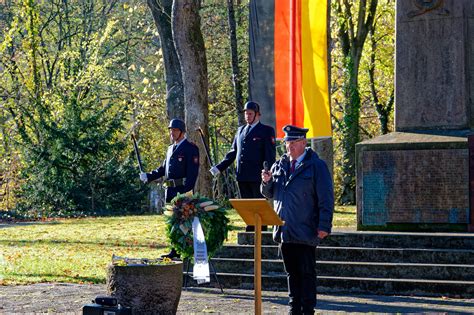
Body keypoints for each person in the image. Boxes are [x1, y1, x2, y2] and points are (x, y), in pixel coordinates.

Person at [261, 125, 334, 315]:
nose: (289, 146)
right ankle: (294, 308)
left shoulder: (317, 166)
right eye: (287, 142)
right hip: (285, 229)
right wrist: (267, 182)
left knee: (307, 273)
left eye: (293, 142)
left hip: (306, 228)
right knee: (291, 272)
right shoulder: (279, 164)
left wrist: (324, 225)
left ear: (303, 142)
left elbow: (326, 198)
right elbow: (269, 194)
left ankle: (308, 309)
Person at [209, 101, 276, 231]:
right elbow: (232, 153)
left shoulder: (266, 131)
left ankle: (260, 234)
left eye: (250, 113)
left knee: (259, 207)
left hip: (258, 177)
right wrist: (219, 168)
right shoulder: (240, 131)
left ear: (258, 115)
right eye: (246, 113)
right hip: (242, 176)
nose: (248, 116)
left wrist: (268, 173)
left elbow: (269, 155)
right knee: (247, 207)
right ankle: (250, 231)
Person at [140, 118, 199, 259]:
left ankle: (186, 250)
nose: (172, 133)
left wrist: (187, 193)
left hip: (182, 189)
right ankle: (174, 250)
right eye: (171, 130)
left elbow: (192, 173)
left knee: (183, 221)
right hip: (170, 190)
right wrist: (148, 176)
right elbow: (163, 169)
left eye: (175, 130)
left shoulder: (191, 148)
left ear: (182, 132)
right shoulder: (170, 148)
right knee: (172, 221)